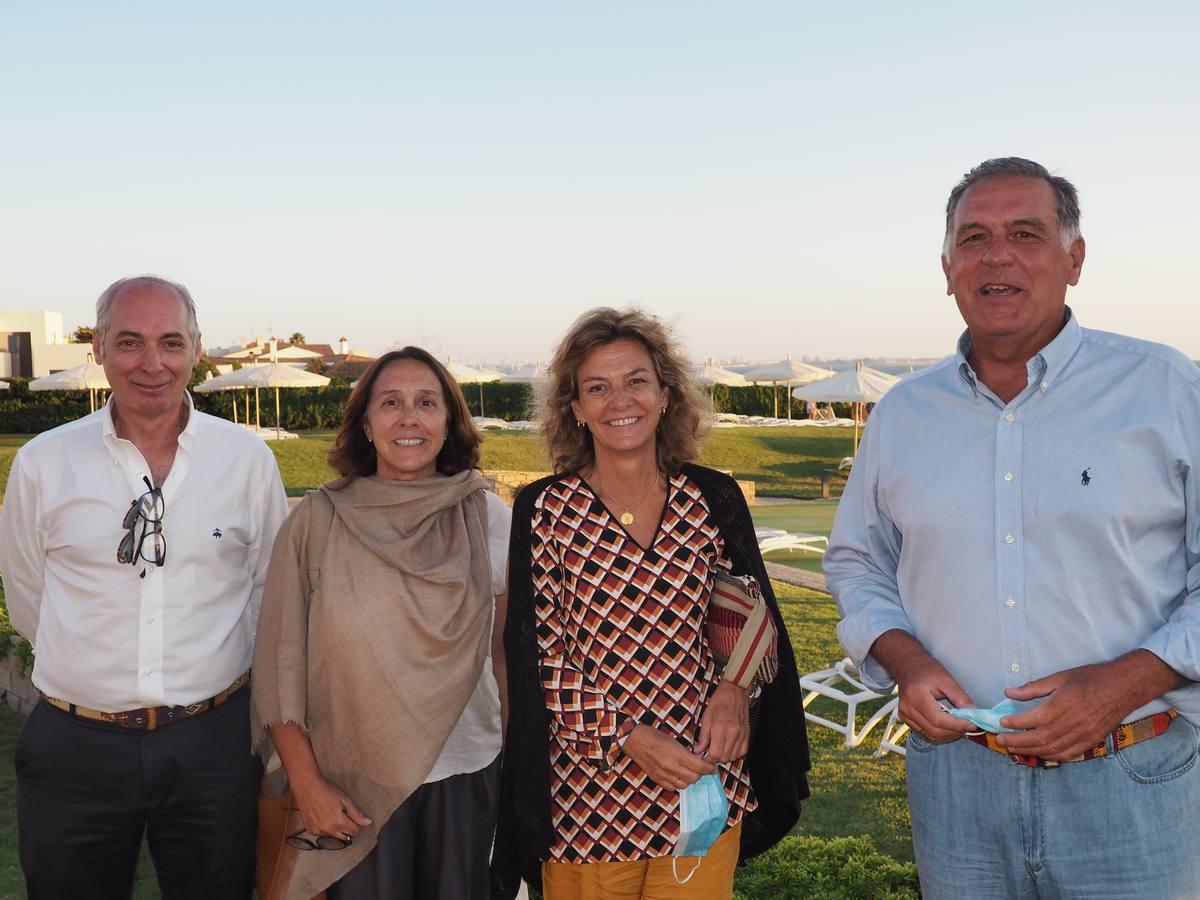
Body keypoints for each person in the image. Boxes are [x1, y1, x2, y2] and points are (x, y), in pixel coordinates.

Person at [826, 157, 1200, 898]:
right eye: (973, 238)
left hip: (1131, 777)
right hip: (957, 784)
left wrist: (1128, 682)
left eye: (1024, 233)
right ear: (946, 267)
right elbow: (855, 562)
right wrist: (905, 659)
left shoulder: (1167, 388)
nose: (995, 256)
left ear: (1075, 258)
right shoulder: (905, 414)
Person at [491, 308, 809, 900]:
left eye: (636, 380)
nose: (620, 400)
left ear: (665, 396)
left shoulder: (711, 497)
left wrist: (737, 692)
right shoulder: (545, 510)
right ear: (576, 409)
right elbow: (541, 656)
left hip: (704, 787)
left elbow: (749, 615)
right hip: (589, 803)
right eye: (597, 387)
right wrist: (629, 738)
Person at [0, 274, 289, 899]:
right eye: (130, 342)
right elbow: (29, 596)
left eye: (171, 342)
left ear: (197, 348)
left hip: (213, 744)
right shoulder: (44, 463)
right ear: (99, 348)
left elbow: (270, 591)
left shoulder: (246, 460)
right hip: (74, 746)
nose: (152, 364)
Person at [251, 346, 511, 899]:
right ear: (366, 423)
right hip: (353, 783)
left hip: (467, 772)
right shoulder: (317, 520)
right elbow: (280, 666)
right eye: (390, 402)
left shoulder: (488, 517)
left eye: (426, 403)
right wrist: (308, 784)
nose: (409, 418)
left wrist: (513, 775)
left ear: (449, 422)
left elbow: (504, 655)